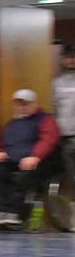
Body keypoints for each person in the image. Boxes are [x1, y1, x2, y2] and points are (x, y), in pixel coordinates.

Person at [0, 89, 61, 229]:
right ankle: (3, 210)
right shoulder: (11, 125)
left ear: (35, 104)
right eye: (19, 104)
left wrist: (35, 156)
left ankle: (16, 213)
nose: (22, 107)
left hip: (41, 162)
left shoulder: (46, 120)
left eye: (26, 104)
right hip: (15, 160)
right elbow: (2, 144)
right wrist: (0, 152)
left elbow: (49, 140)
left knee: (24, 176)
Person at [53, 44, 75, 189]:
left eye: (73, 57)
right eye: (68, 57)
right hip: (63, 136)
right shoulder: (57, 83)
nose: (71, 60)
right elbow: (53, 108)